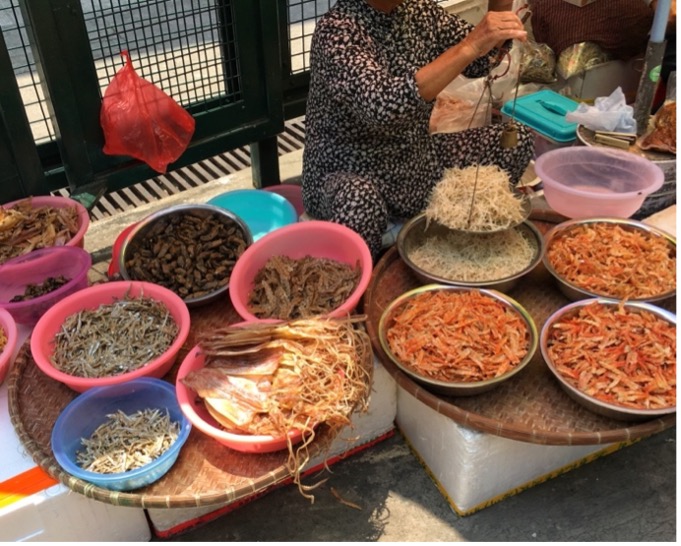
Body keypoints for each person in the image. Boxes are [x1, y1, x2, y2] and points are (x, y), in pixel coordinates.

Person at [301, 0, 534, 260]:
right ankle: (372, 275)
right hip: (350, 173)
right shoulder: (337, 30)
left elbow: (478, 62)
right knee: (360, 202)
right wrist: (469, 46)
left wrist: (498, 16)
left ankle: (463, 238)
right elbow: (384, 108)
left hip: (417, 162)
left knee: (514, 140)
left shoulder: (419, 11)